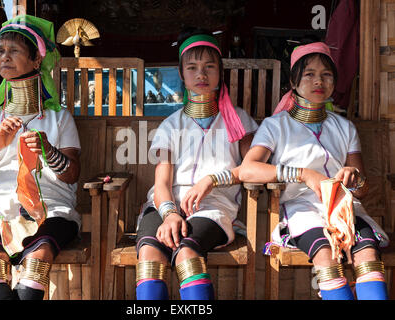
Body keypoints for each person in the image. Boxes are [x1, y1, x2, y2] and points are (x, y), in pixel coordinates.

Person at [238, 42, 389, 300]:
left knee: (368, 258)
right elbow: (247, 170)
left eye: (326, 74)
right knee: (326, 257)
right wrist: (304, 174)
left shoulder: (344, 127)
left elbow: (362, 190)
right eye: (309, 74)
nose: (318, 80)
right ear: (293, 81)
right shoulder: (276, 126)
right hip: (302, 213)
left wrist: (353, 177)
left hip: (345, 211)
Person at [0, 15, 81, 300]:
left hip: (51, 210)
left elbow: (72, 174)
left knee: (39, 256)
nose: (4, 57)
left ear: (37, 60)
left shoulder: (59, 120)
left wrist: (49, 151)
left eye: (14, 51)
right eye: (0, 51)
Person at [134, 27, 258, 300]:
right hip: (165, 205)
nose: (201, 74)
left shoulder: (239, 121)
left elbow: (254, 167)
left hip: (213, 207)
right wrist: (170, 214)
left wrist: (212, 180)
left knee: (186, 252)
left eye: (209, 67)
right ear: (181, 74)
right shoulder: (171, 126)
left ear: (220, 71)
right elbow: (162, 183)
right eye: (192, 68)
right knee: (150, 255)